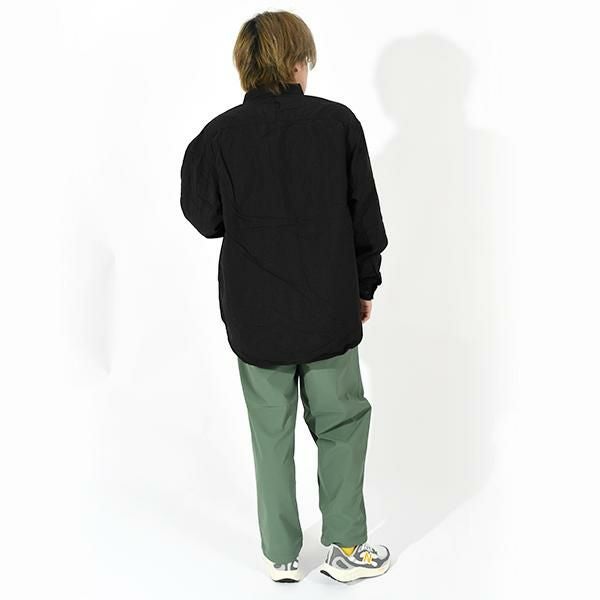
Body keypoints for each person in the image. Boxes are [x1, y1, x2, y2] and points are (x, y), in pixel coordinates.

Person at [180, 10, 390, 583]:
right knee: (341, 424)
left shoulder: (218, 137)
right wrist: (363, 286)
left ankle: (280, 556)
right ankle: (347, 549)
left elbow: (204, 218)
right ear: (298, 61)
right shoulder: (338, 123)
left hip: (256, 319)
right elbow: (365, 219)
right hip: (329, 310)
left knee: (270, 435)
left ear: (245, 65)